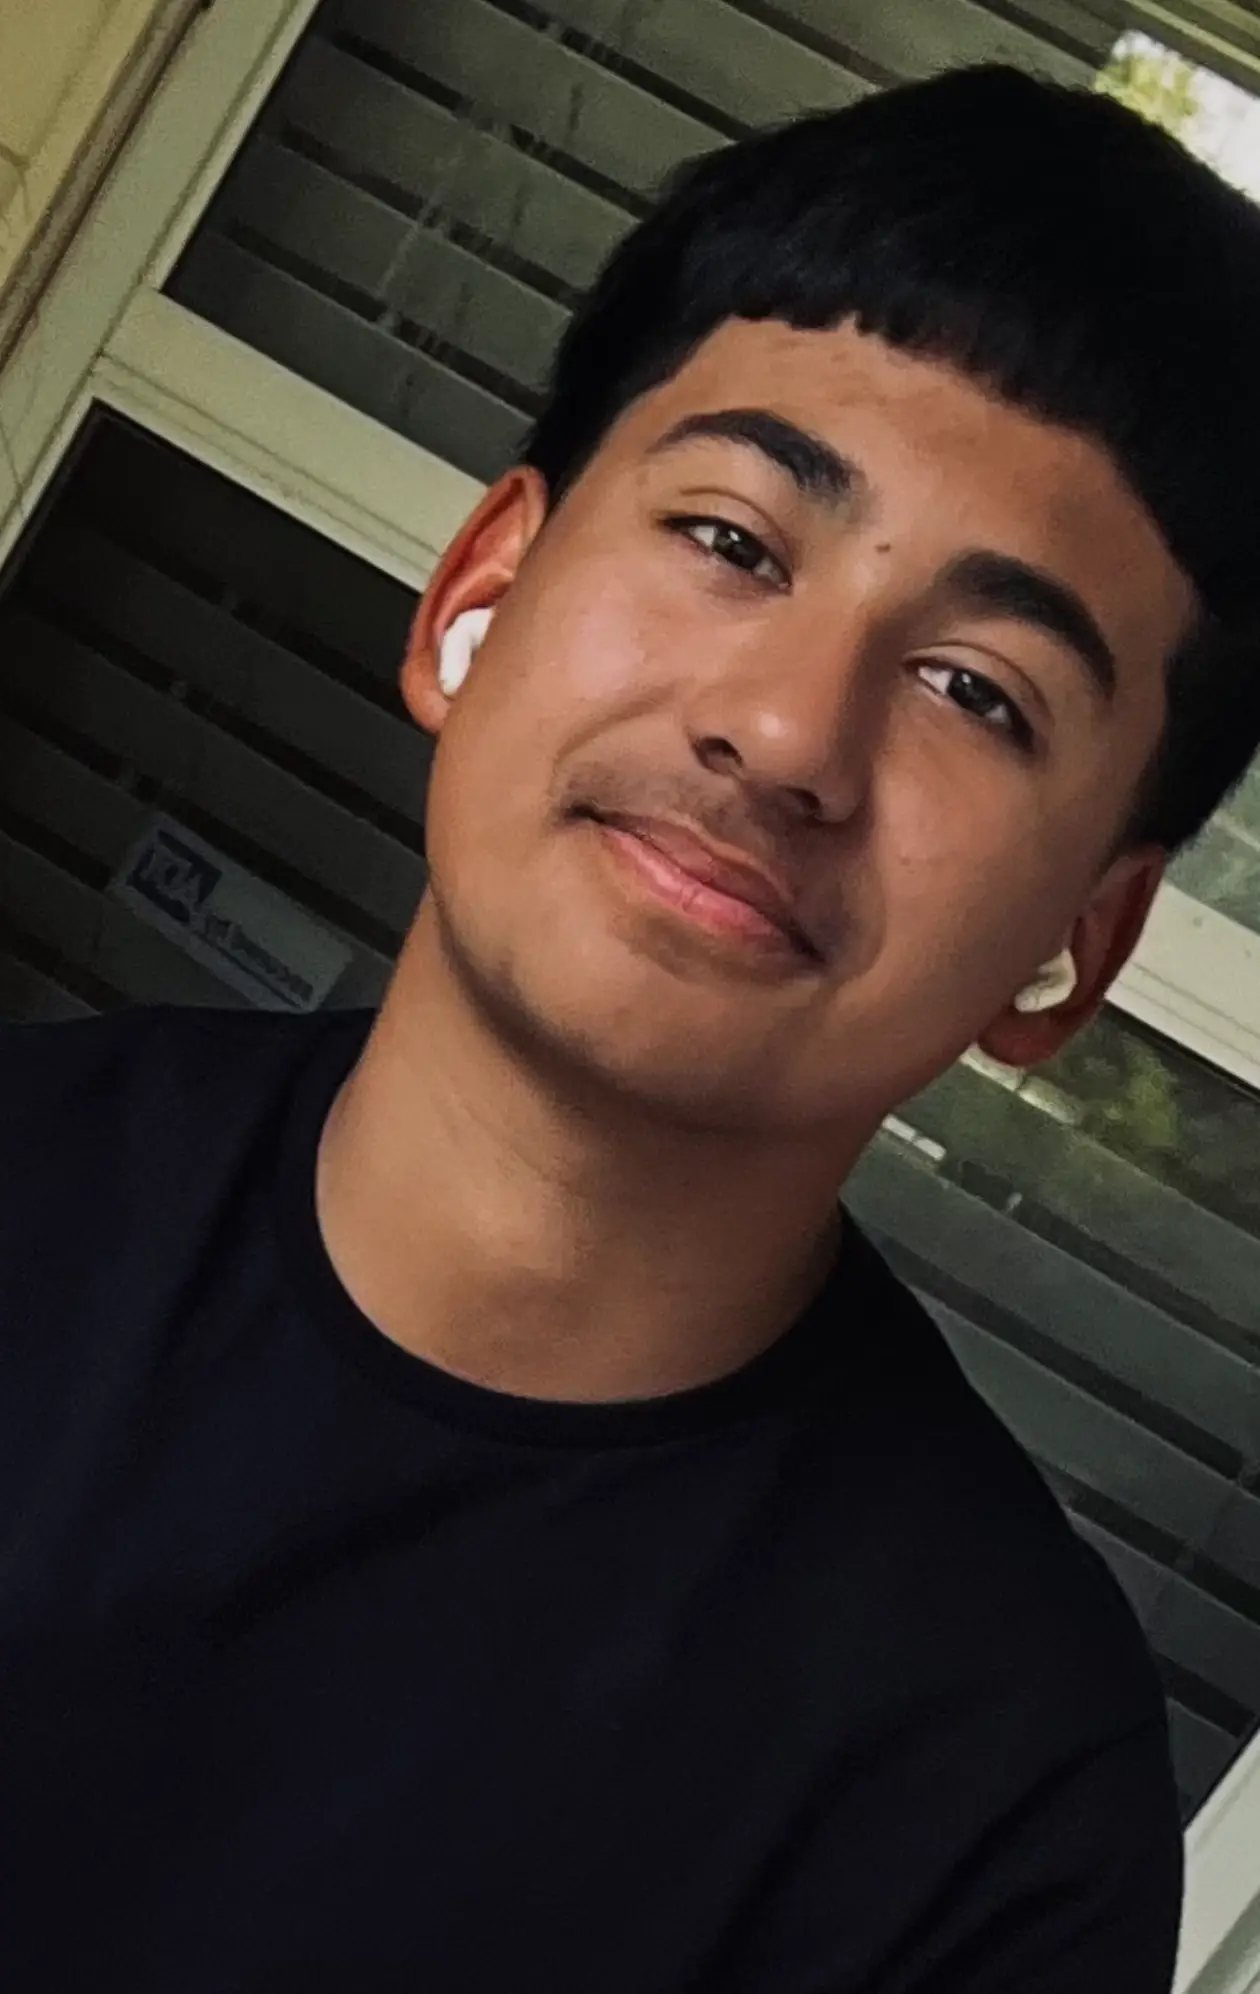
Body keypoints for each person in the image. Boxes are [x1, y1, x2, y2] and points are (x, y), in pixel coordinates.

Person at [2, 58, 1259, 1994]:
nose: (787, 731)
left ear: (1077, 947)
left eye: (978, 690)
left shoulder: (984, 1803)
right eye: (735, 541)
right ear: (479, 591)